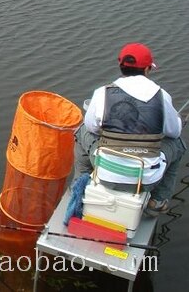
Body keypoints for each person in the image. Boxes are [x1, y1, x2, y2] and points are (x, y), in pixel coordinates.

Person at [73, 43, 185, 216]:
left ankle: (79, 186)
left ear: (120, 66)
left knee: (82, 131)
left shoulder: (102, 93)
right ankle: (158, 201)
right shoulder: (162, 96)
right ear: (147, 69)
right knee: (177, 144)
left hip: (106, 174)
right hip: (146, 179)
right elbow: (174, 132)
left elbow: (91, 127)